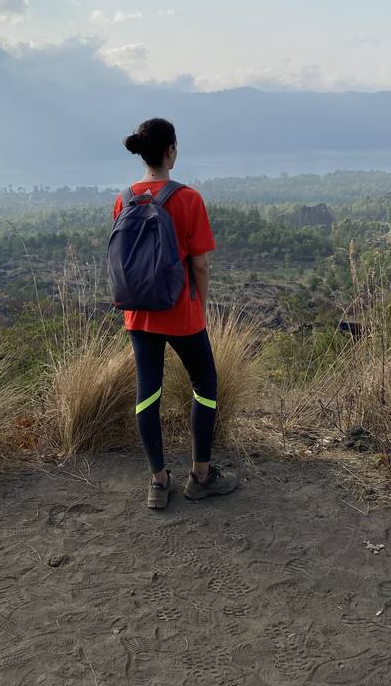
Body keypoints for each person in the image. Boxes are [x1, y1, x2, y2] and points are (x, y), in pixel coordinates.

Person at [113, 117, 239, 510]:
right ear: (171, 151)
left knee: (147, 393)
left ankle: (158, 481)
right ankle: (201, 476)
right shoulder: (188, 199)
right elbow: (199, 265)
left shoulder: (124, 198)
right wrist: (199, 307)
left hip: (139, 313)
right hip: (181, 312)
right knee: (205, 386)